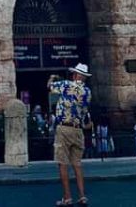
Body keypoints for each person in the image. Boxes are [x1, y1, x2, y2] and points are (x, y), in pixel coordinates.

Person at [48, 64, 92, 206]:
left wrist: (52, 77)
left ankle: (67, 197)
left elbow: (49, 86)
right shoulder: (87, 91)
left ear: (75, 75)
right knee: (77, 164)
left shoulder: (66, 85)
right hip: (78, 129)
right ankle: (82, 195)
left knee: (63, 163)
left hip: (64, 128)